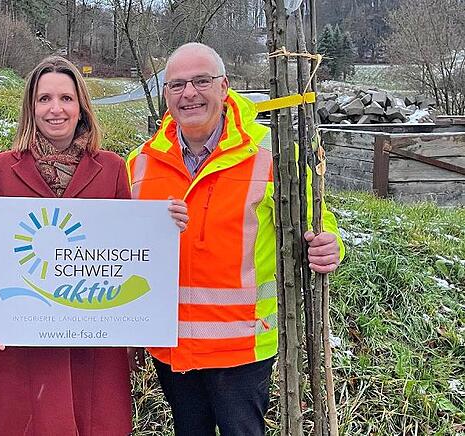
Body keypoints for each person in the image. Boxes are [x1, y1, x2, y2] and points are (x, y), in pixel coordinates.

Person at [126, 43, 345, 436]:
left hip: (242, 344)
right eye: (177, 85)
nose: (188, 93)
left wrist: (330, 243)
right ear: (166, 95)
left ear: (224, 87)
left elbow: (318, 216)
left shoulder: (270, 155)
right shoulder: (139, 162)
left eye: (201, 81)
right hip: (172, 344)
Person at [0, 55, 187, 435]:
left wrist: (163, 227)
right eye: (44, 99)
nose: (55, 109)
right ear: (31, 107)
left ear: (81, 107)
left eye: (66, 98)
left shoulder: (111, 168)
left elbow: (128, 252)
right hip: (27, 345)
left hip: (96, 347)